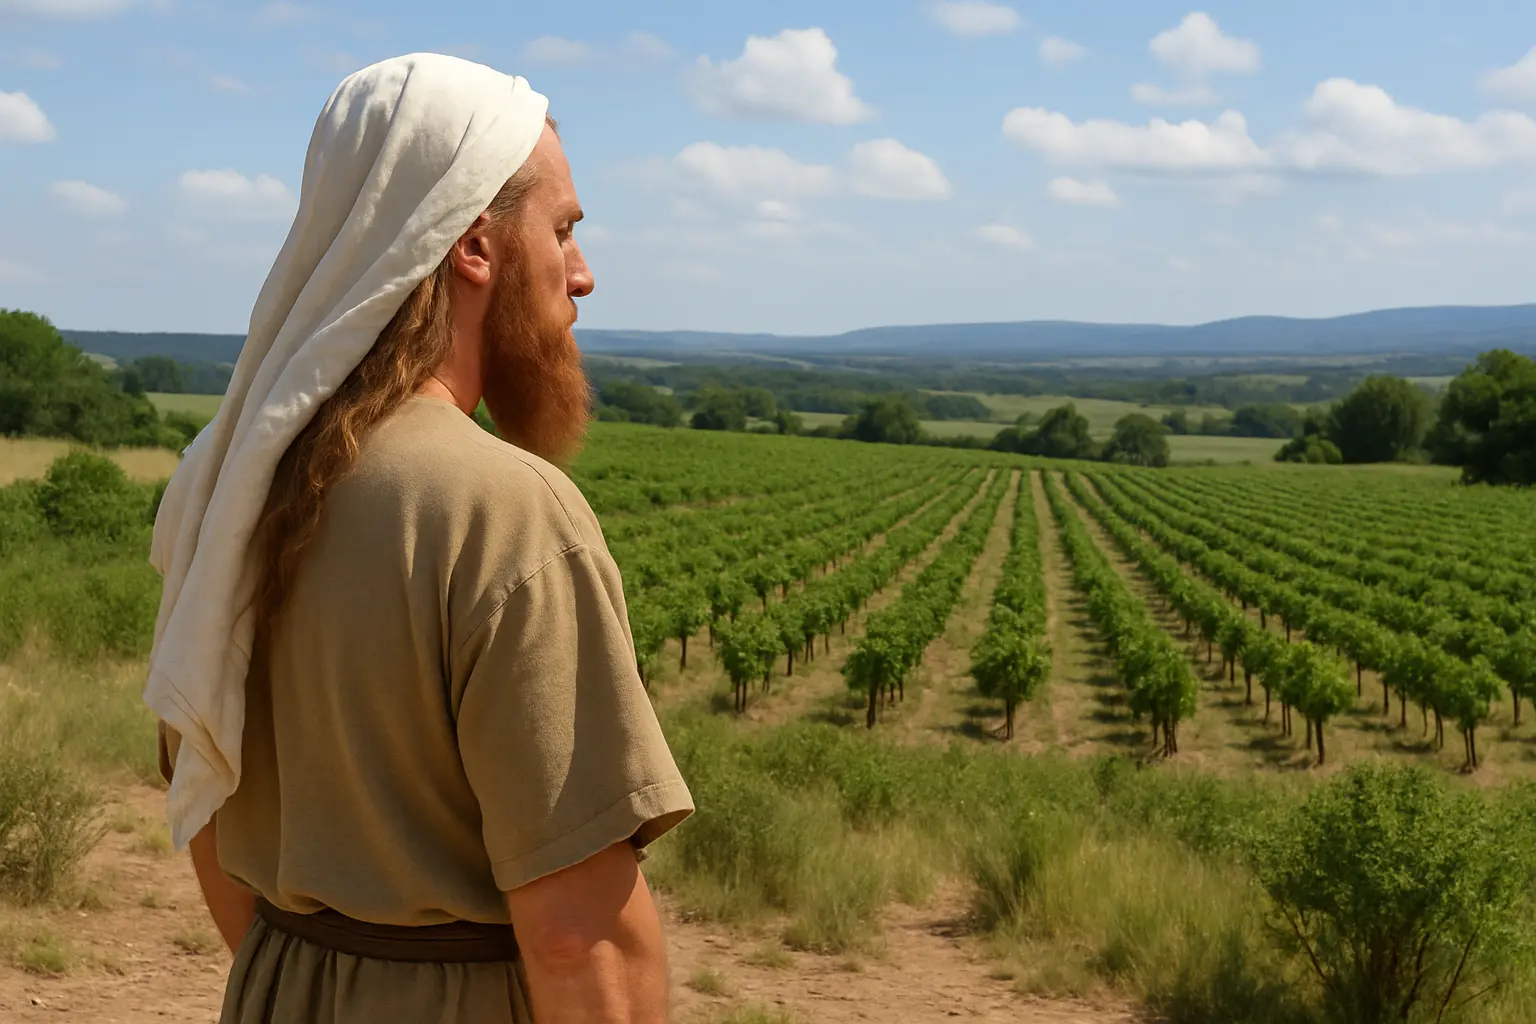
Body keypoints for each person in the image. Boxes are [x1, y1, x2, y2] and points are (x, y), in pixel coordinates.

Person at [146, 53, 693, 1023]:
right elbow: (582, 937)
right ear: (475, 247)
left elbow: (203, 804)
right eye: (562, 230)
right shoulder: (505, 509)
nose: (583, 273)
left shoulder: (223, 478)